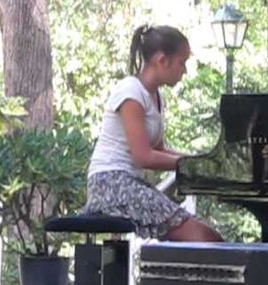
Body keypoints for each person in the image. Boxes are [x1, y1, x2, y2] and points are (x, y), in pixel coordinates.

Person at [81, 24, 223, 242]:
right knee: (204, 237)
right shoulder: (130, 92)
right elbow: (144, 156)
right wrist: (192, 164)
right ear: (162, 60)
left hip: (130, 183)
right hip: (110, 185)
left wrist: (198, 161)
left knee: (206, 236)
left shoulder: (156, 97)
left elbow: (160, 150)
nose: (184, 70)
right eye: (181, 63)